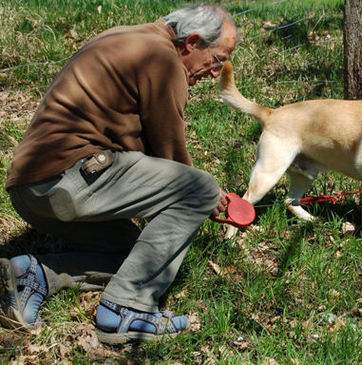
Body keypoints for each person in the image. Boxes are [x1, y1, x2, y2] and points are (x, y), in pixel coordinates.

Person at [0, 4, 237, 344]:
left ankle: (35, 275)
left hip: (28, 190)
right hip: (71, 179)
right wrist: (210, 199)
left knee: (138, 254)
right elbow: (169, 155)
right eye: (218, 59)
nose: (216, 71)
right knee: (198, 188)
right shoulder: (162, 58)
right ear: (193, 42)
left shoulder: (125, 37)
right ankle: (129, 310)